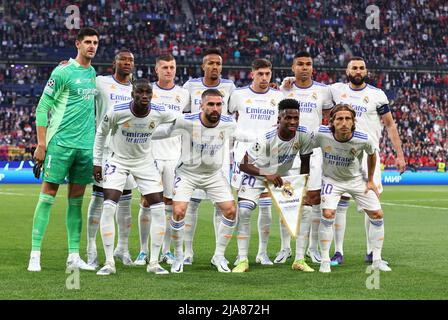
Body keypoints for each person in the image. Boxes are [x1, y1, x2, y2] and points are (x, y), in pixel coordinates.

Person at [27, 27, 99, 272]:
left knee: (76, 202)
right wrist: (42, 143)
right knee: (47, 197)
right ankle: (35, 254)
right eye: (87, 42)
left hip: (85, 148)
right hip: (60, 144)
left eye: (95, 42)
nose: (92, 46)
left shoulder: (93, 74)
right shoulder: (62, 71)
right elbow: (41, 108)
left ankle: (73, 256)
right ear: (77, 44)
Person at [152, 89, 244, 273]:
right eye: (210, 104)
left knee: (231, 211)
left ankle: (218, 256)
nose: (215, 108)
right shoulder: (186, 121)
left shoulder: (228, 123)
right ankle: (179, 256)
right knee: (178, 211)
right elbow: (164, 132)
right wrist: (143, 132)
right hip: (187, 173)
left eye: (219, 104)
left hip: (213, 175)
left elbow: (243, 134)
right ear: (201, 105)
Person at [93, 79, 177, 275]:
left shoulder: (159, 111)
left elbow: (177, 121)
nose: (145, 96)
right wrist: (97, 161)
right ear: (133, 94)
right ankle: (109, 263)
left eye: (148, 92)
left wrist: (156, 133)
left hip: (145, 163)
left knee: (158, 209)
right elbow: (100, 133)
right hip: (118, 162)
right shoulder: (117, 111)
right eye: (140, 92)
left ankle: (154, 263)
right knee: (108, 207)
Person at [330, 57, 405, 266]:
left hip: (368, 156)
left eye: (361, 68)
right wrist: (286, 83)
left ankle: (372, 252)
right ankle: (338, 252)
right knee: (341, 204)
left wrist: (399, 154)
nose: (358, 71)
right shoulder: (335, 90)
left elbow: (390, 125)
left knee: (371, 205)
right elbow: (313, 92)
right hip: (341, 155)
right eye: (354, 67)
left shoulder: (377, 94)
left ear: (366, 71)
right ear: (347, 70)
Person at [232, 99, 313, 273]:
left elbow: (305, 163)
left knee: (305, 210)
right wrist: (266, 174)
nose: (292, 122)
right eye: (288, 117)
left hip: (282, 177)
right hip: (259, 174)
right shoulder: (265, 138)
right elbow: (243, 164)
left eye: (296, 118)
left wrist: (303, 189)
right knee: (245, 210)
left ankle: (299, 259)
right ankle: (243, 259)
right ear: (279, 118)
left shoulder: (304, 134)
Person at [312, 104, 390, 273]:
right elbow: (305, 145)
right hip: (331, 180)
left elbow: (372, 154)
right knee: (327, 214)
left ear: (354, 122)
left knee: (377, 214)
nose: (344, 122)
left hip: (356, 180)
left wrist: (370, 180)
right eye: (340, 119)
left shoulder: (363, 138)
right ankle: (325, 260)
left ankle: (377, 259)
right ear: (332, 122)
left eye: (348, 119)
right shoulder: (321, 134)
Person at [277, 51, 333, 266]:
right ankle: (285, 248)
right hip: (288, 151)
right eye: (300, 64)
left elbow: (327, 117)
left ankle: (311, 248)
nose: (304, 67)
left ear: (312, 67)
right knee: (287, 201)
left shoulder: (322, 91)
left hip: (314, 151)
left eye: (308, 64)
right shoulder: (284, 89)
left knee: (314, 200)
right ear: (293, 68)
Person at [181, 48, 236, 265]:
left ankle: (218, 254)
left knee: (220, 206)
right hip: (193, 154)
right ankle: (187, 252)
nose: (215, 67)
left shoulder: (230, 87)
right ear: (203, 66)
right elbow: (181, 112)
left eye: (218, 63)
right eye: (211, 63)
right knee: (191, 204)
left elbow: (236, 114)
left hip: (219, 155)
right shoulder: (190, 86)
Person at [134, 54, 190, 266]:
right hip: (150, 155)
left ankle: (166, 251)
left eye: (172, 67)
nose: (169, 70)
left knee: (169, 203)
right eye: (165, 67)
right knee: (147, 201)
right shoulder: (148, 92)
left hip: (174, 157)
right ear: (156, 69)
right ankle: (142, 251)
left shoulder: (183, 94)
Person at [228, 58, 284, 266]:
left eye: (267, 74)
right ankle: (240, 254)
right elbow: (227, 117)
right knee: (241, 207)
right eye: (260, 74)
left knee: (266, 207)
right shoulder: (239, 95)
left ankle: (262, 252)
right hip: (244, 154)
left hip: (270, 155)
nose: (264, 78)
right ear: (252, 74)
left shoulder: (278, 96)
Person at [86, 49, 136, 269]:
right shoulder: (100, 82)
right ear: (114, 62)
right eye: (123, 59)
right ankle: (91, 249)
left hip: (128, 151)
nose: (127, 62)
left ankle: (122, 249)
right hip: (105, 150)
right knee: (98, 199)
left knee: (125, 201)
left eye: (130, 60)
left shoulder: (137, 90)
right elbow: (80, 81)